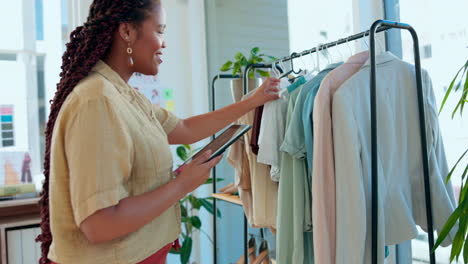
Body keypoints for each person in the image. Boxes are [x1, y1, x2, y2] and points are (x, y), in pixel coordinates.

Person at [35, 1, 280, 264]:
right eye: (160, 31)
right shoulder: (97, 100)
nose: (164, 43)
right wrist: (182, 184)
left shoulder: (122, 94)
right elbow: (99, 224)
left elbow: (183, 129)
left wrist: (250, 102)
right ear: (127, 32)